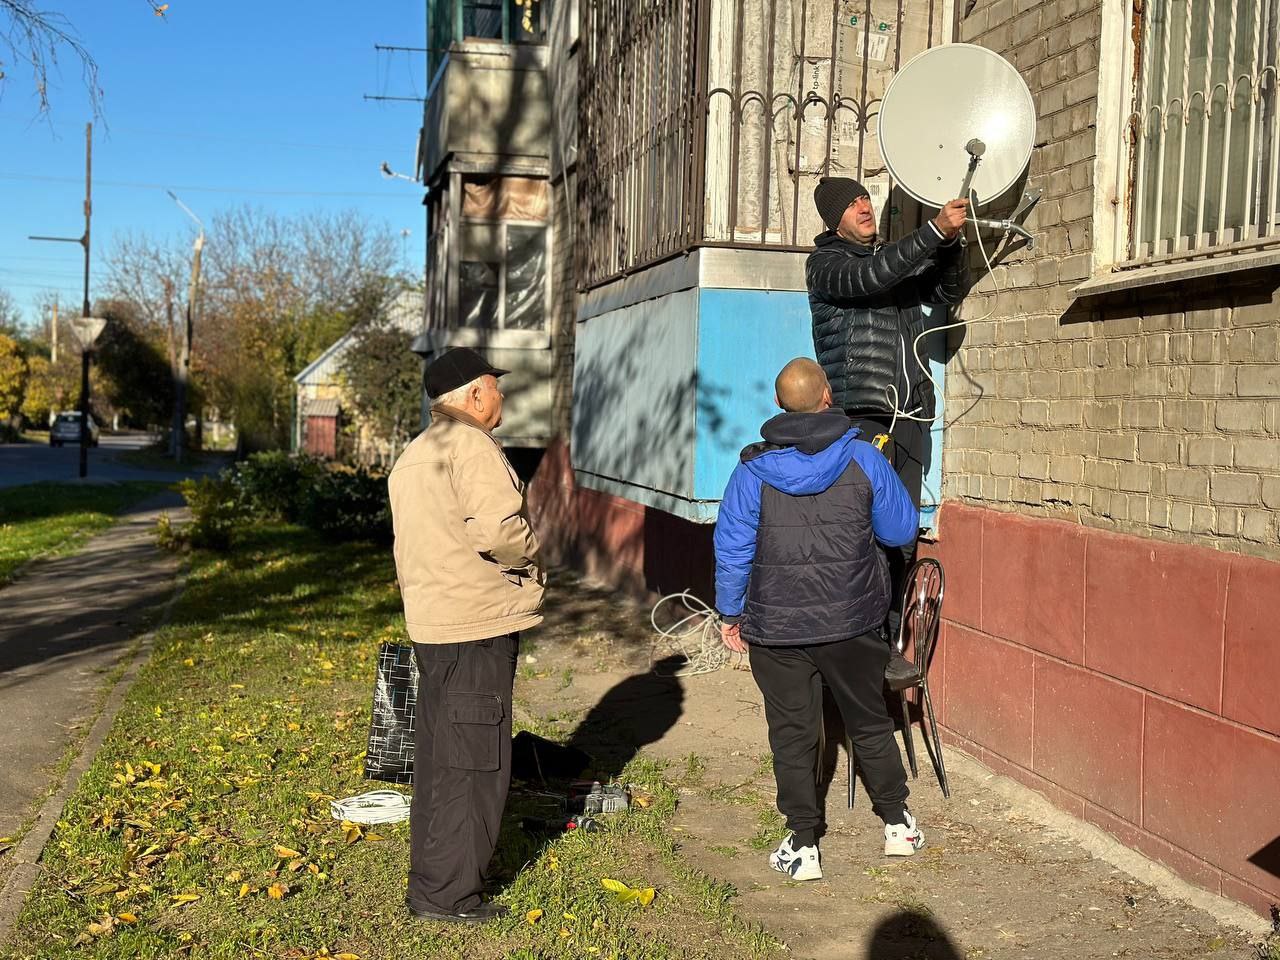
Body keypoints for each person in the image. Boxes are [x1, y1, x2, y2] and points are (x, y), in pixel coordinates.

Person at [714, 358, 925, 881]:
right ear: (827, 395)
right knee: (870, 722)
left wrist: (729, 614)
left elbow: (732, 548)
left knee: (791, 733)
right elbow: (900, 532)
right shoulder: (863, 459)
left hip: (775, 629)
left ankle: (802, 845)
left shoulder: (750, 471)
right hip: (852, 622)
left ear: (780, 405)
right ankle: (897, 825)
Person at [388, 346, 545, 923]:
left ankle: (434, 884)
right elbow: (500, 532)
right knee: (474, 764)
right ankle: (449, 897)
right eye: (495, 387)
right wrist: (533, 552)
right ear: (475, 395)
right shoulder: (471, 446)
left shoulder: (416, 452)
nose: (502, 397)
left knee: (440, 760)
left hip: (434, 623)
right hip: (475, 623)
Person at [807, 177, 969, 657]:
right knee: (863, 531)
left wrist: (951, 247)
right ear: (833, 218)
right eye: (852, 202)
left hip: (910, 414)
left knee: (901, 534)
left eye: (865, 198)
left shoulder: (889, 263)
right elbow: (870, 277)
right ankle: (858, 641)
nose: (864, 205)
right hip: (865, 416)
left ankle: (891, 641)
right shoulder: (826, 266)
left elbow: (942, 293)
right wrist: (932, 232)